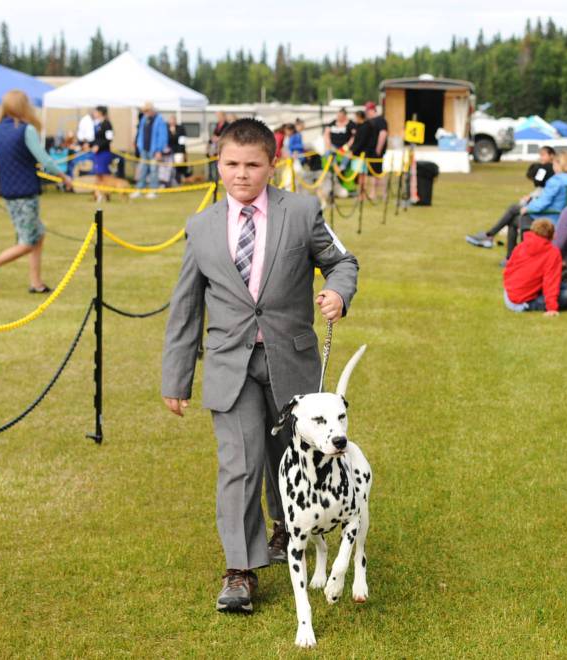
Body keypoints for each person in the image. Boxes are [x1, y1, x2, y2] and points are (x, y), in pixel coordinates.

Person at [160, 118, 358, 614]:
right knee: (240, 462)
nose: (241, 175)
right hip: (231, 365)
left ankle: (286, 528)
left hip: (293, 364)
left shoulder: (304, 211)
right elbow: (185, 307)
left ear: (273, 164)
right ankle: (240, 570)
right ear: (218, 164)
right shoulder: (201, 227)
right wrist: (176, 377)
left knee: (285, 457)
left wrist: (337, 290)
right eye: (231, 164)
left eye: (253, 165)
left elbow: (342, 262)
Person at [0, 90, 72, 296]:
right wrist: (64, 177)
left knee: (38, 235)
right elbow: (45, 160)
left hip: (9, 191)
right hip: (26, 192)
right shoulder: (26, 130)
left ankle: (36, 283)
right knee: (28, 241)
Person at [465, 150, 567, 259]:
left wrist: (528, 208)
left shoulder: (556, 181)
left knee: (514, 209)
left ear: (559, 164)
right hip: (557, 217)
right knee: (513, 218)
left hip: (548, 218)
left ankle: (492, 239)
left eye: (554, 163)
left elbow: (543, 203)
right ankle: (494, 241)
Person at [503, 218, 567, 316]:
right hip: (521, 302)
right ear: (552, 235)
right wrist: (551, 308)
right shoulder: (552, 253)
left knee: (563, 286)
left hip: (509, 295)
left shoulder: (521, 246)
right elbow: (550, 281)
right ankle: (532, 304)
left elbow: (509, 269)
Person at [131, 102, 168, 199]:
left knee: (153, 170)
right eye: (144, 111)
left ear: (152, 110)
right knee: (142, 170)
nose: (145, 113)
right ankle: (139, 189)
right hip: (144, 149)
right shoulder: (144, 119)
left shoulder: (159, 120)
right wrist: (139, 145)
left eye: (147, 111)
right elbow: (140, 133)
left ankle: (153, 190)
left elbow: (163, 136)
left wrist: (159, 150)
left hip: (154, 150)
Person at [89, 106, 115, 202]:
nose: (94, 113)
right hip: (97, 153)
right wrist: (89, 144)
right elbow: (97, 139)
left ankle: (107, 194)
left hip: (104, 152)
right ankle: (98, 194)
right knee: (98, 174)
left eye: (96, 111)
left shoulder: (107, 124)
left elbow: (109, 139)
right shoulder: (97, 124)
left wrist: (98, 146)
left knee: (104, 175)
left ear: (101, 112)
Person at [364, 102, 388, 200]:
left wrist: (378, 148)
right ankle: (375, 193)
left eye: (367, 110)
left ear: (372, 110)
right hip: (370, 151)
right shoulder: (370, 121)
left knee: (377, 173)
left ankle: (377, 193)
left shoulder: (380, 120)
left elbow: (383, 134)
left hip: (376, 151)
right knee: (372, 173)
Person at [350, 110, 376, 199]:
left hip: (361, 154)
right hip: (359, 154)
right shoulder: (360, 126)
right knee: (360, 175)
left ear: (359, 117)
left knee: (362, 175)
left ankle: (362, 194)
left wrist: (353, 151)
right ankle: (361, 193)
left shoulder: (365, 127)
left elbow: (361, 142)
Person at [166, 115, 188, 184]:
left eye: (173, 120)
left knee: (178, 168)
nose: (172, 122)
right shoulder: (166, 129)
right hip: (169, 151)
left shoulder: (180, 129)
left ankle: (178, 181)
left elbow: (182, 141)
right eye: (170, 120)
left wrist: (183, 152)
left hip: (179, 151)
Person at [208, 111, 229, 182]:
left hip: (223, 148)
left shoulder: (227, 125)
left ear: (223, 116)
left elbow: (227, 136)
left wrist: (218, 138)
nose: (218, 117)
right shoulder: (217, 125)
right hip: (215, 148)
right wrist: (213, 138)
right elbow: (214, 134)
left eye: (219, 116)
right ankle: (213, 178)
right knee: (213, 163)